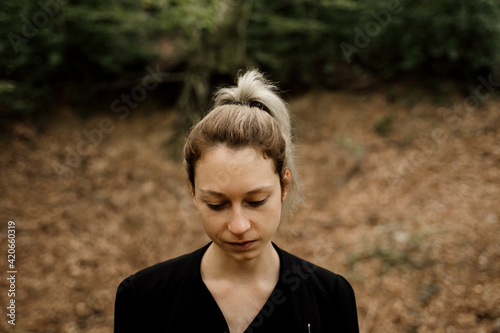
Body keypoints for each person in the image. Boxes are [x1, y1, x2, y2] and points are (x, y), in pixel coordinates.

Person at [114, 69, 359, 332]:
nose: (239, 226)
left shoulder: (329, 299)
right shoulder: (144, 299)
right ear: (193, 191)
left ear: (284, 185)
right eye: (216, 204)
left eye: (256, 201)